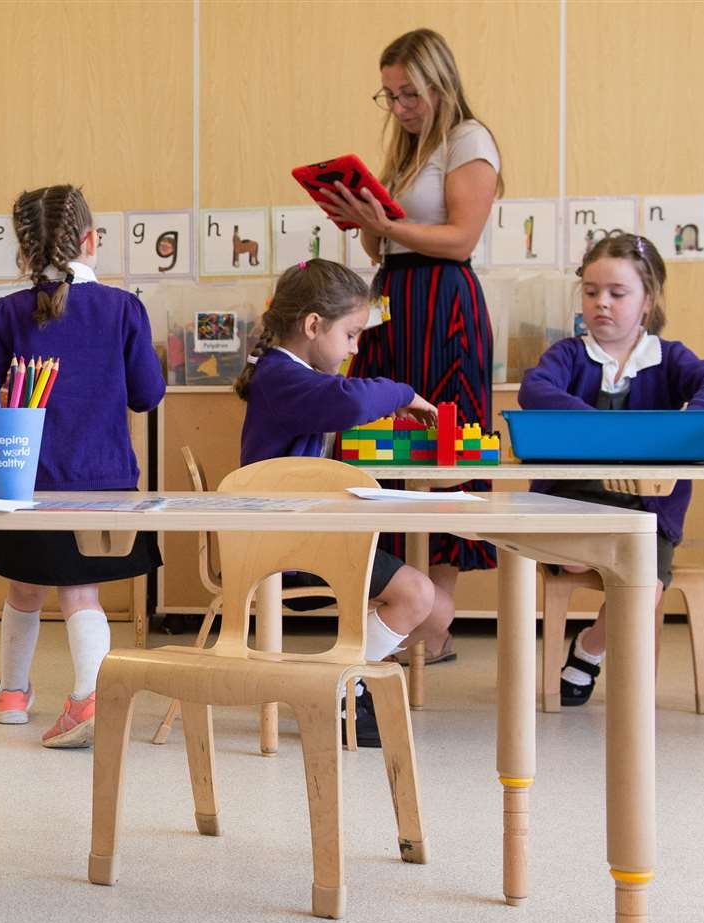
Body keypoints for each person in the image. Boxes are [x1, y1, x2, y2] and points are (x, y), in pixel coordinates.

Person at [317, 27, 502, 664]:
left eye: (410, 93)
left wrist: (387, 224)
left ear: (439, 82)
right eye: (390, 95)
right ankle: (401, 603)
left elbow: (459, 239)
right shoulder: (407, 150)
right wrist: (365, 223)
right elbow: (384, 246)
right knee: (380, 435)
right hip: (392, 298)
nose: (399, 107)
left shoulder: (469, 140)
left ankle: (436, 619)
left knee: (442, 442)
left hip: (444, 302)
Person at [0, 184, 165, 748]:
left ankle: (12, 692)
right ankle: (90, 694)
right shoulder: (122, 307)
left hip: (29, 479)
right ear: (90, 240)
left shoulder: (7, 312)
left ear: (24, 251)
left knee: (24, 589)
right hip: (103, 480)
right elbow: (146, 397)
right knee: (81, 592)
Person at [234, 260, 451, 746]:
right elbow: (349, 402)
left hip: (309, 533)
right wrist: (405, 393)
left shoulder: (292, 377)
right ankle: (337, 682)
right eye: (352, 335)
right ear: (313, 325)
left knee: (437, 611)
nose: (355, 349)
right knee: (417, 596)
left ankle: (350, 678)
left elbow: (340, 402)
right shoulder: (281, 377)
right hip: (286, 541)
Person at [519, 234, 704, 705]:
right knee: (583, 558)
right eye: (592, 291)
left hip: (648, 511)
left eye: (618, 294)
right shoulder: (569, 355)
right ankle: (604, 596)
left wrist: (689, 423)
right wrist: (606, 432)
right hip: (570, 502)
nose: (602, 304)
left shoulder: (668, 357)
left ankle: (588, 650)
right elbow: (535, 391)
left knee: (644, 587)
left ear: (647, 301)